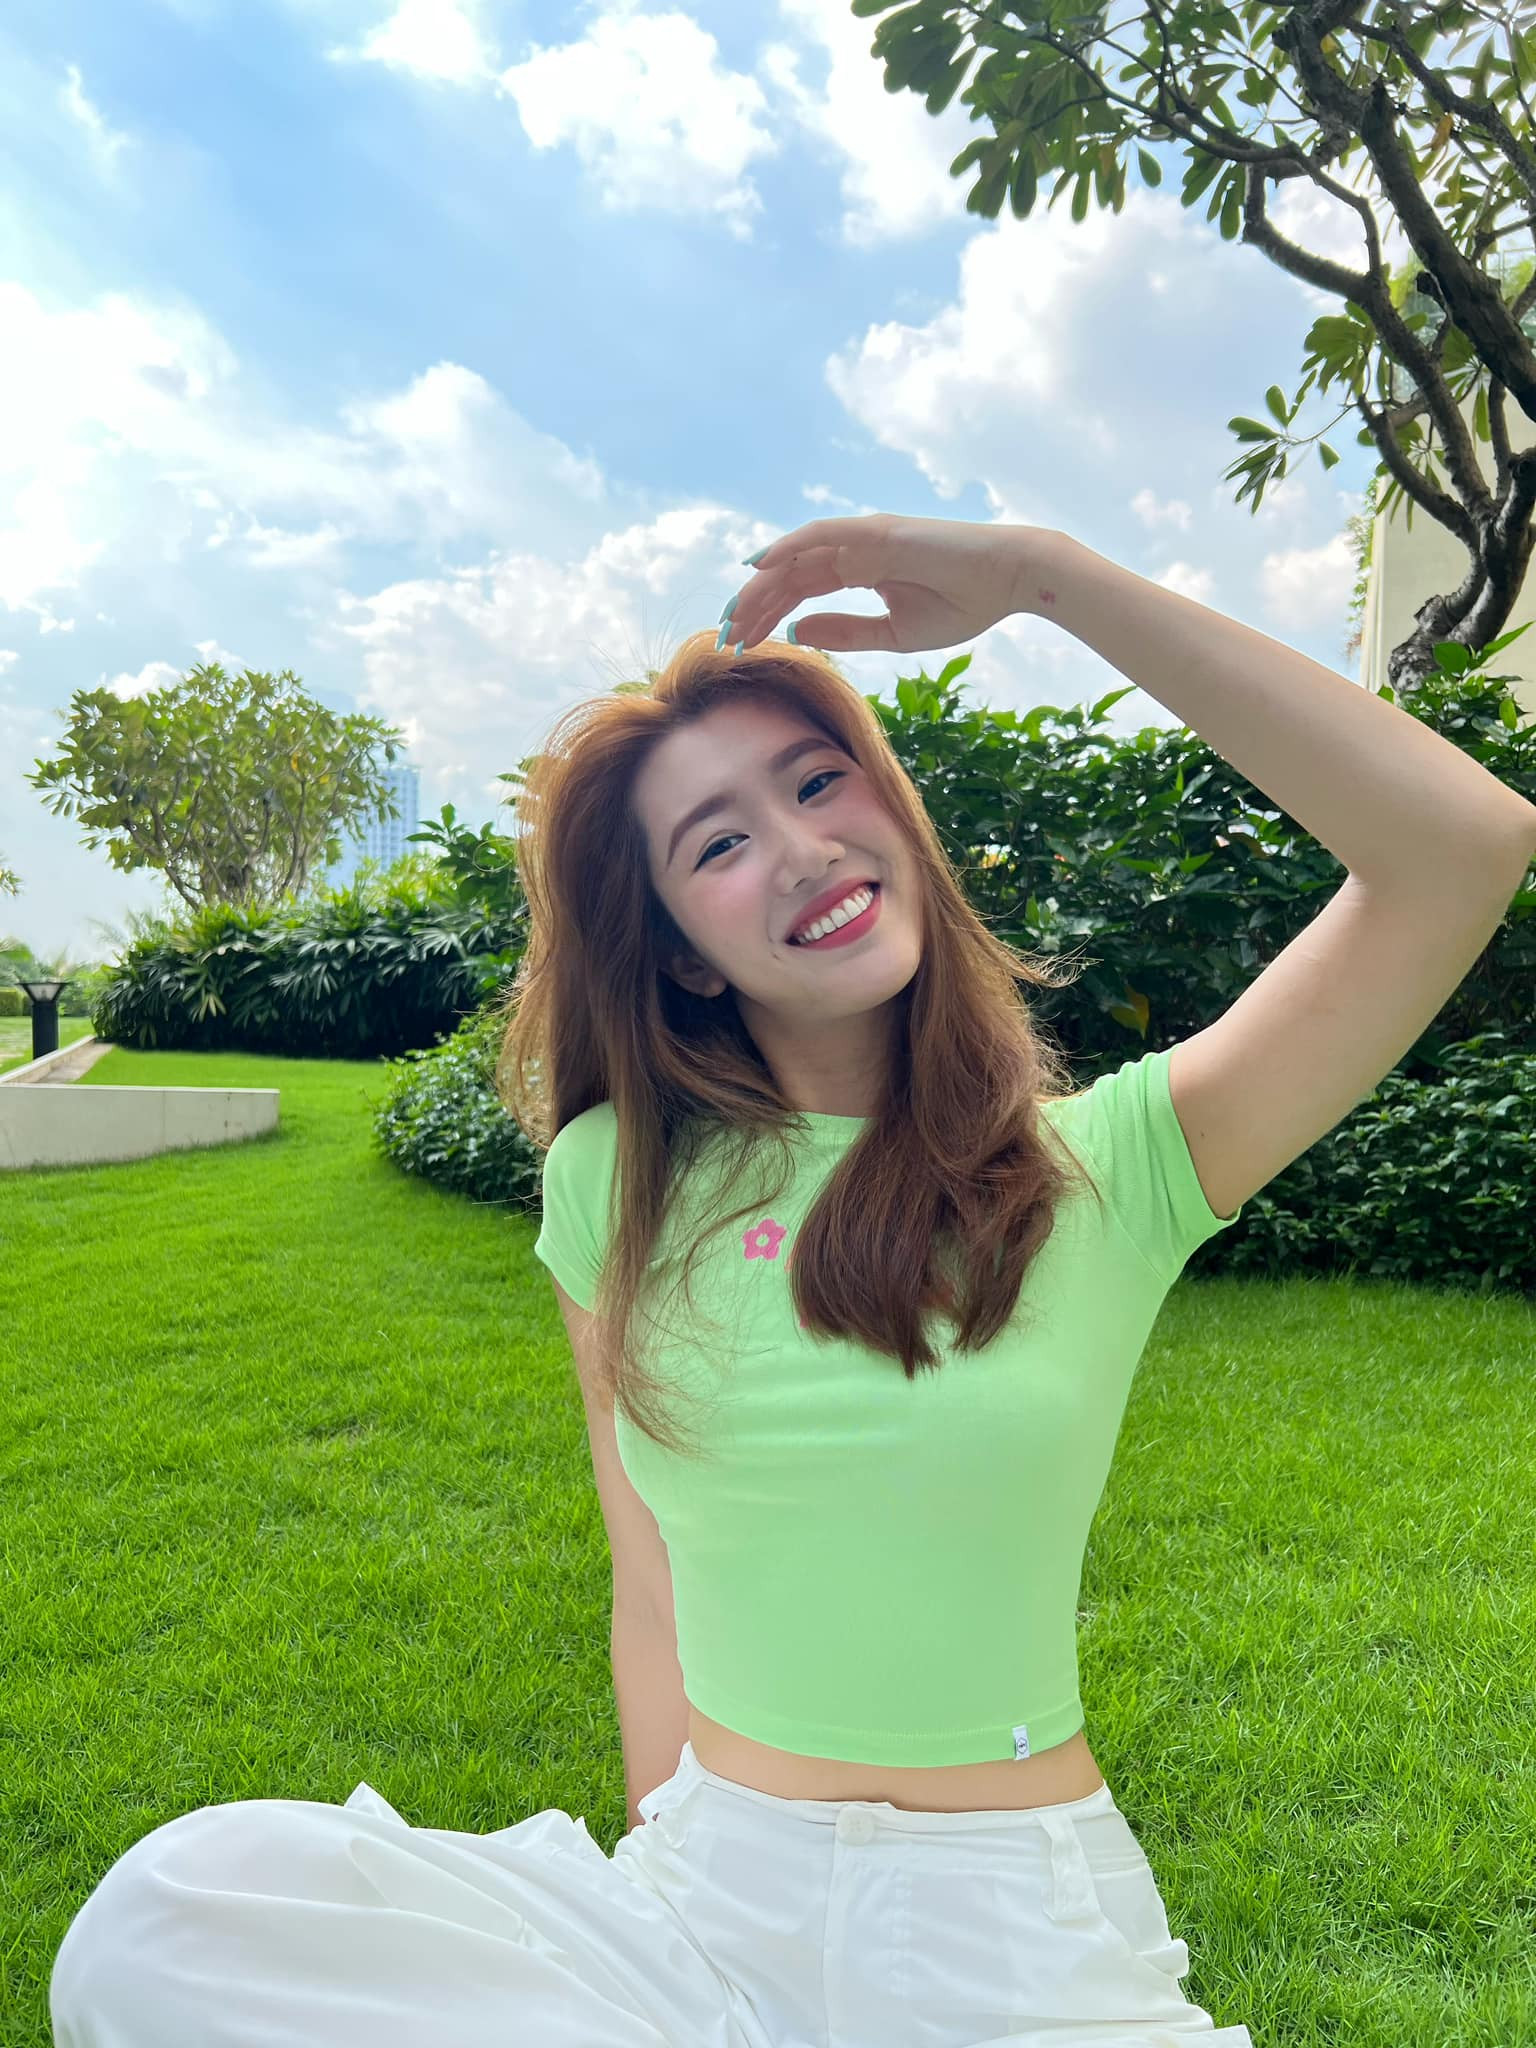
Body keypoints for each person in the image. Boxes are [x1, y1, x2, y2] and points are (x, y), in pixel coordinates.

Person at [51, 513, 1263, 2046]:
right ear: (685, 950)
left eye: (818, 783)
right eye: (720, 843)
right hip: (709, 1883)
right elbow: (651, 1567)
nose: (800, 848)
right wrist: (662, 1861)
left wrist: (1040, 575)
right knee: (167, 1917)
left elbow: (1455, 851)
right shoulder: (611, 1178)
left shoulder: (1115, 1161)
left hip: (1006, 1924)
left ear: (894, 816)